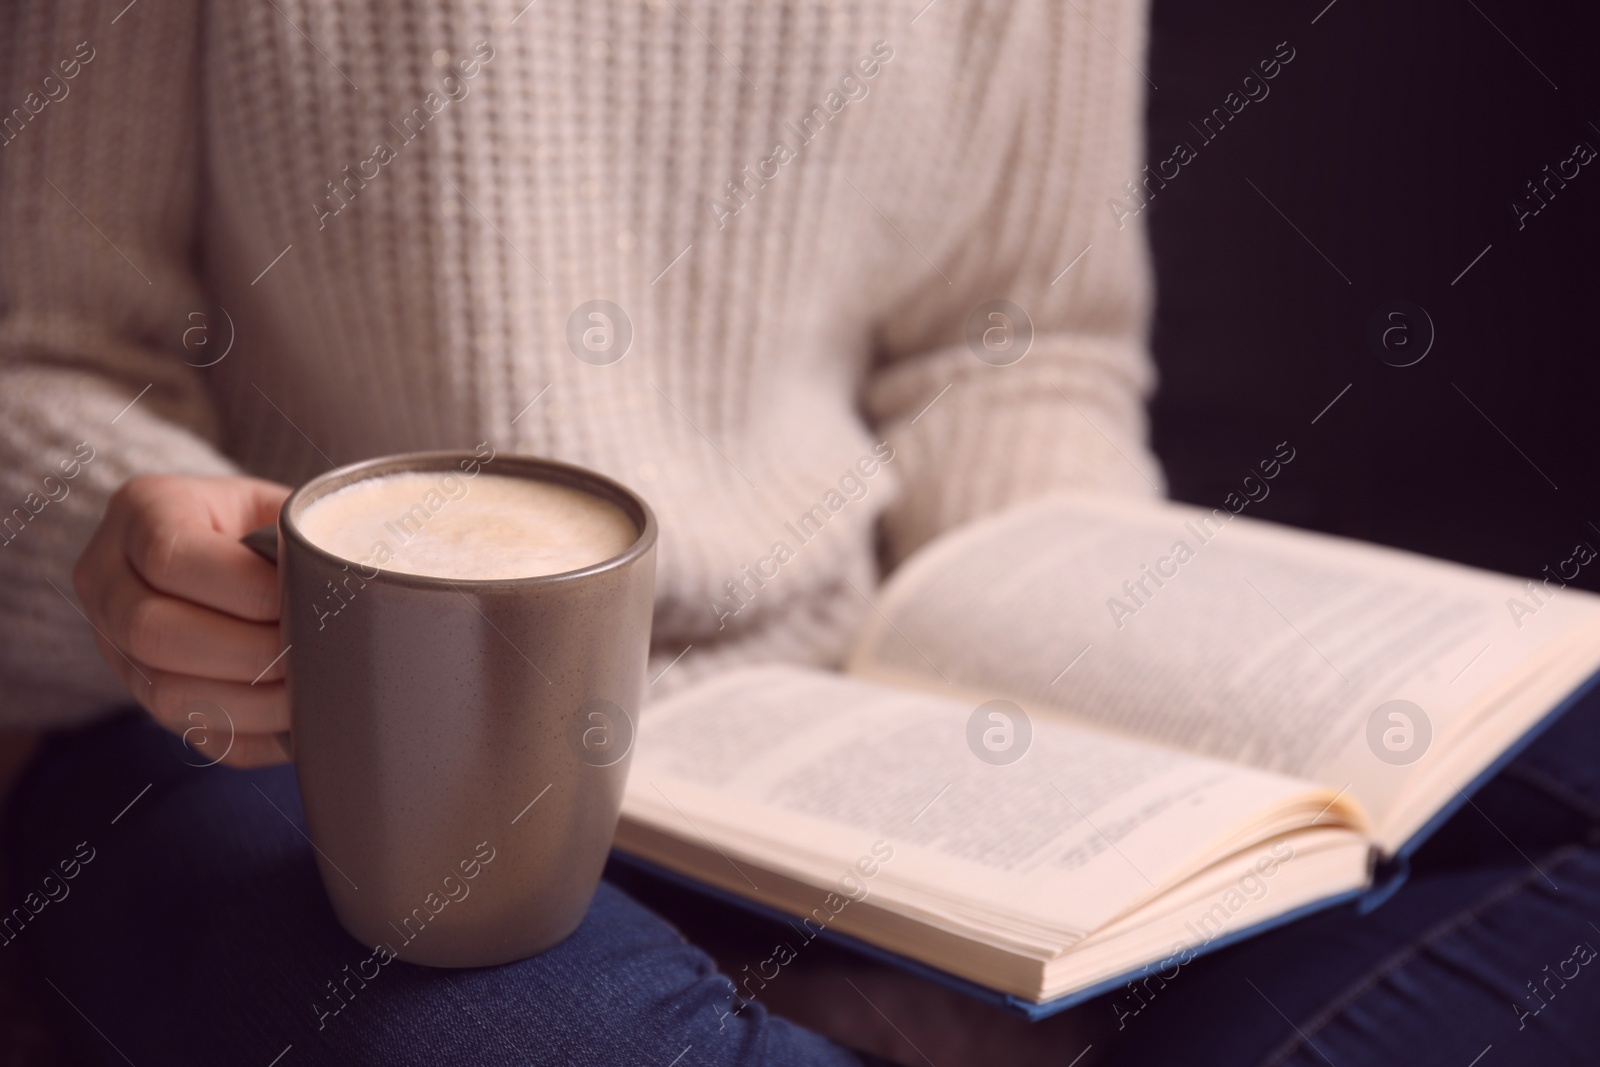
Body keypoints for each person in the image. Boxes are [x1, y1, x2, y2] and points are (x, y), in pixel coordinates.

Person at [4, 2, 1600, 1065]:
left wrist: (1084, 728)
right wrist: (125, 546)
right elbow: (43, 353)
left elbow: (1012, 350)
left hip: (824, 703)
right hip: (288, 726)